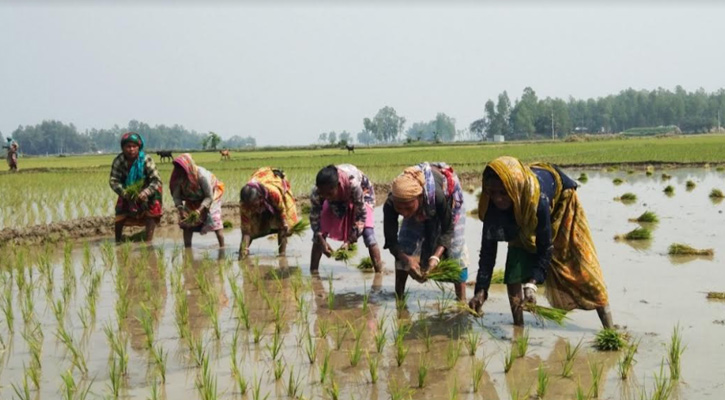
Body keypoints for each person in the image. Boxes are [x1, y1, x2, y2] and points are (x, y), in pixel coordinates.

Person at [469, 156, 613, 328]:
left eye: (502, 193)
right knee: (514, 263)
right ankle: (518, 327)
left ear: (513, 188)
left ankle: (610, 328)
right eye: (492, 193)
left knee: (581, 263)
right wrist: (481, 290)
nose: (497, 199)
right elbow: (487, 252)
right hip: (521, 209)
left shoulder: (539, 201)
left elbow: (545, 248)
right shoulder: (493, 205)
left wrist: (532, 283)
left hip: (561, 202)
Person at [383, 162, 468, 302]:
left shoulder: (438, 196)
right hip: (420, 204)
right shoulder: (392, 203)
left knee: (455, 248)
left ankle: (462, 301)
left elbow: (448, 229)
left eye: (407, 208)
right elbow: (391, 241)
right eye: (400, 209)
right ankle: (399, 298)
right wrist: (406, 259)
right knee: (405, 243)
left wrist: (435, 257)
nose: (403, 213)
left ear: (420, 197)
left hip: (447, 197)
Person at [309, 164, 383, 273]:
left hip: (362, 192)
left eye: (329, 193)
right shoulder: (317, 192)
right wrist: (320, 237)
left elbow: (361, 216)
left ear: (338, 185)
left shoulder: (353, 185)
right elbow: (315, 218)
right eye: (323, 194)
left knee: (368, 231)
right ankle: (314, 273)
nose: (326, 197)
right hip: (338, 198)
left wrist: (350, 240)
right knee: (319, 235)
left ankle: (379, 273)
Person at [109, 132, 163, 243]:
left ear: (139, 147)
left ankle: (148, 240)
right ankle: (118, 240)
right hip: (127, 190)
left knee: (151, 212)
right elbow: (114, 181)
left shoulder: (146, 160)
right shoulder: (119, 161)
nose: (131, 149)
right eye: (128, 146)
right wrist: (125, 193)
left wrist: (145, 193)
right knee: (120, 212)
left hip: (148, 190)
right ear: (123, 148)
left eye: (134, 146)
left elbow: (156, 180)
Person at [239, 167, 299, 258]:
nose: (251, 209)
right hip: (262, 181)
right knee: (251, 229)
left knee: (283, 226)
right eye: (249, 207)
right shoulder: (244, 205)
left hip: (276, 188)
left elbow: (281, 210)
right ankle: (243, 253)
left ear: (260, 198)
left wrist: (284, 223)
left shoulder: (273, 194)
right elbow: (246, 230)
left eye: (254, 205)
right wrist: (243, 251)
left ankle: (282, 254)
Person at [169, 153, 226, 248]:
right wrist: (181, 209)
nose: (179, 172)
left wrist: (199, 210)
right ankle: (187, 249)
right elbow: (176, 197)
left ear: (188, 167)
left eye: (182, 169)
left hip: (211, 195)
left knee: (214, 219)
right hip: (192, 198)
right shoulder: (178, 178)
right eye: (178, 169)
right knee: (186, 223)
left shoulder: (201, 176)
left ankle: (222, 248)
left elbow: (209, 197)